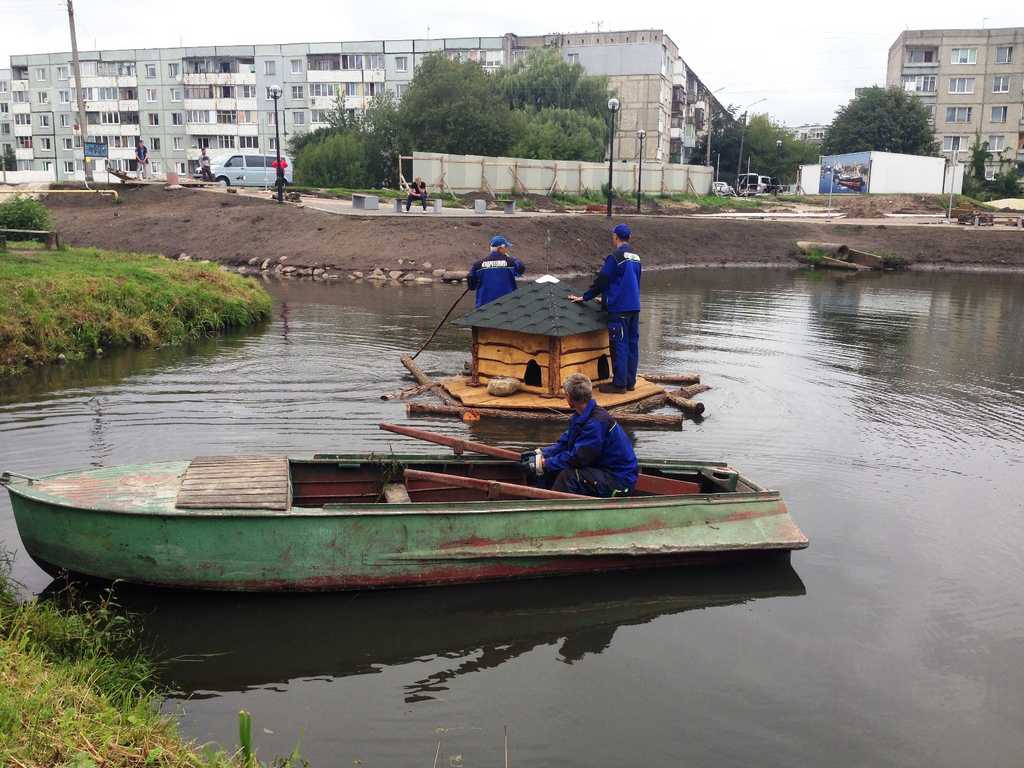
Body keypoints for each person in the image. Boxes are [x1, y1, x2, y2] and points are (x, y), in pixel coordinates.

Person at [520, 373, 638, 497]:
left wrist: (545, 463)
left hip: (618, 480)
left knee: (569, 476)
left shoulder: (596, 424)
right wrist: (540, 454)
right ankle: (538, 502)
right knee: (550, 470)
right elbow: (565, 444)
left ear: (569, 397)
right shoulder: (580, 417)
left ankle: (553, 512)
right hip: (600, 470)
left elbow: (578, 458)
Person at [569, 223, 641, 394]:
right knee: (632, 344)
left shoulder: (615, 256)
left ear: (615, 236)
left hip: (620, 309)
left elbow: (604, 279)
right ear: (628, 238)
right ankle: (630, 382)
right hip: (634, 306)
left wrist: (587, 296)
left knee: (619, 345)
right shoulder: (636, 257)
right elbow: (632, 282)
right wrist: (608, 298)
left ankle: (619, 385)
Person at [467, 235, 525, 308]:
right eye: (506, 247)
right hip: (507, 305)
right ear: (500, 249)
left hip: (484, 307)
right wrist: (512, 258)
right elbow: (521, 268)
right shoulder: (511, 262)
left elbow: (471, 284)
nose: (507, 250)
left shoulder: (478, 265)